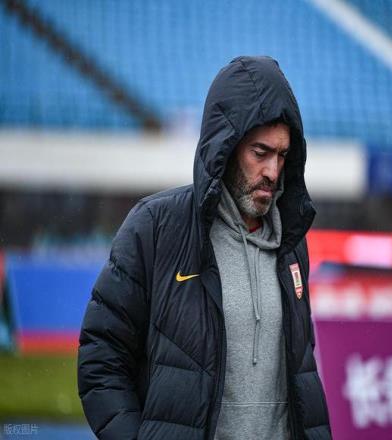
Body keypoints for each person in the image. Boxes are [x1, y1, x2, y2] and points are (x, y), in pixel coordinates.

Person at [77, 55, 332, 440]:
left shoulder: (292, 245)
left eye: (282, 155)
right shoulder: (156, 227)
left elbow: (300, 372)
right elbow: (101, 357)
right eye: (260, 153)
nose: (272, 171)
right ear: (225, 148)